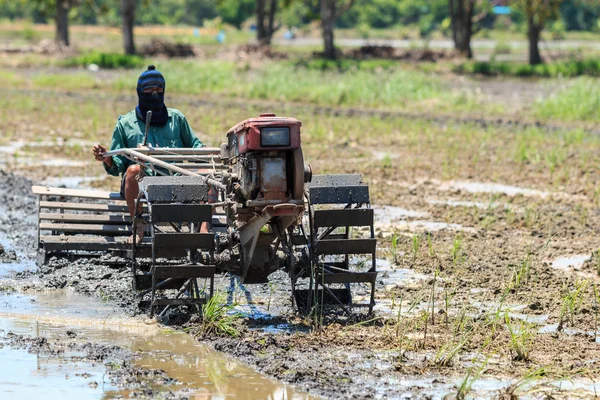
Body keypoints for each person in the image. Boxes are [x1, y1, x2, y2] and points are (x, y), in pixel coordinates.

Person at [93, 65, 204, 242]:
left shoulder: (176, 119)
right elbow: (117, 165)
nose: (154, 94)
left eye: (159, 90)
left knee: (206, 175)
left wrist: (209, 159)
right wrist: (107, 159)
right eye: (149, 90)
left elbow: (196, 148)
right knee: (133, 171)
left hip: (173, 181)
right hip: (139, 185)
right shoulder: (126, 123)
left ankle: (203, 232)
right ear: (140, 92)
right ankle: (138, 227)